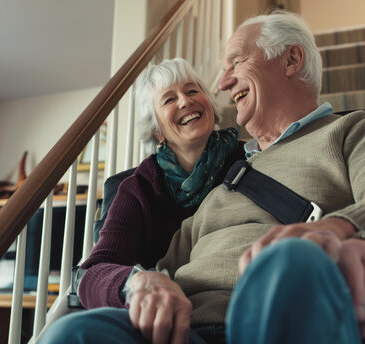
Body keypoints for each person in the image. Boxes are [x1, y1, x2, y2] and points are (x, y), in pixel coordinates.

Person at [44, 11, 365, 344]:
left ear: (292, 60)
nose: (221, 84)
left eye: (236, 62)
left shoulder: (352, 131)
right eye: (171, 98)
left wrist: (344, 229)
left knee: (287, 260)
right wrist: (145, 285)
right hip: (183, 330)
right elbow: (150, 268)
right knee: (73, 333)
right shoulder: (227, 179)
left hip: (281, 311)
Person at [41, 58, 245, 342]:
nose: (186, 102)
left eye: (192, 90)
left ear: (209, 102)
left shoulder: (250, 161)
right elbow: (92, 271)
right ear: (157, 130)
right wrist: (137, 283)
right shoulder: (137, 188)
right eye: (169, 99)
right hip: (171, 327)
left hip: (243, 310)